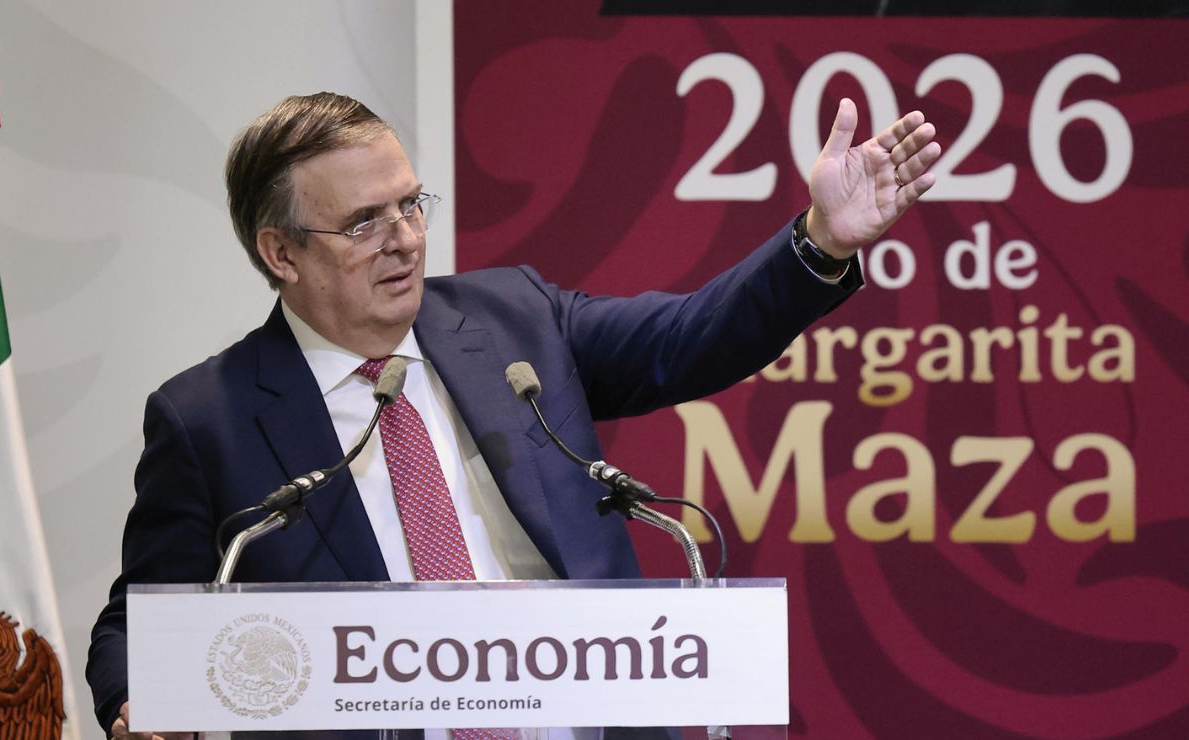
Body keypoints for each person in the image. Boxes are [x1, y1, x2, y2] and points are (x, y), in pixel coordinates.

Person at [87, 91, 940, 739]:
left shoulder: (513, 321)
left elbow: (687, 339)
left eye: (409, 204)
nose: (404, 238)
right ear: (281, 252)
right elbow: (137, 621)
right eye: (363, 223)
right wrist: (137, 701)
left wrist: (819, 241)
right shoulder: (209, 419)